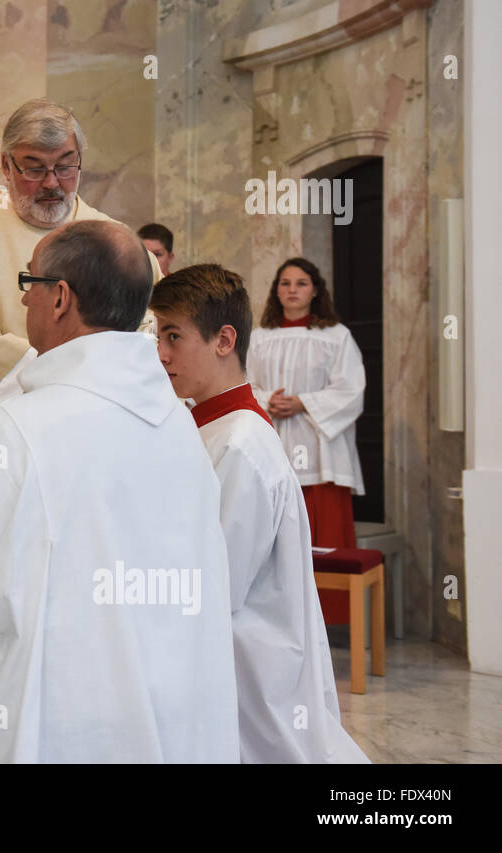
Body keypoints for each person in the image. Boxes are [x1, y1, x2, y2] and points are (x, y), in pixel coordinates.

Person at [0, 220, 238, 763]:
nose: (24, 302)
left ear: (60, 299)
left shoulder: (20, 433)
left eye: (29, 285)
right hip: (171, 731)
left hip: (55, 735)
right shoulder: (182, 431)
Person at [151, 264, 367, 763]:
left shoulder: (241, 445)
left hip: (248, 680)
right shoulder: (207, 426)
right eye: (159, 335)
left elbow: (215, 588)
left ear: (224, 339)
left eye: (174, 336)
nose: (161, 353)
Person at [0, 98, 163, 447]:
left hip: (108, 436)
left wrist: (77, 380)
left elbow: (152, 333)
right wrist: (47, 372)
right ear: (6, 165)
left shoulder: (119, 245)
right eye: (34, 168)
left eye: (65, 166)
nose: (51, 183)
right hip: (8, 443)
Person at [247, 257, 366, 626]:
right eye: (285, 283)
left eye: (300, 283)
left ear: (315, 290)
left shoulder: (336, 336)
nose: (292, 290)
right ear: (275, 290)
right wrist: (269, 401)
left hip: (320, 449)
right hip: (275, 443)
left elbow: (351, 389)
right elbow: (242, 382)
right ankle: (281, 618)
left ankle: (327, 620)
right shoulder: (260, 337)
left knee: (322, 532)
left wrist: (304, 403)